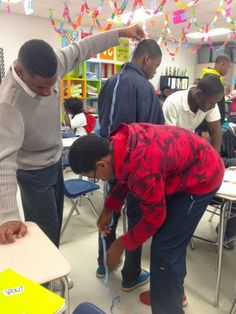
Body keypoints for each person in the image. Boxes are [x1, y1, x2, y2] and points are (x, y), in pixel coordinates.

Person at [0, 24, 145, 246]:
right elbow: (5, 162)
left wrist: (121, 32)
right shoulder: (9, 103)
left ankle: (51, 273)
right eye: (41, 87)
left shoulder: (56, 63)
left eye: (52, 84)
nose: (49, 92)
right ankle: (44, 280)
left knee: (54, 226)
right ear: (20, 72)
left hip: (55, 162)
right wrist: (8, 216)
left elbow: (84, 48)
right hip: (32, 172)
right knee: (44, 234)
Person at [68, 123, 224, 314]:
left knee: (166, 247)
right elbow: (126, 176)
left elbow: (154, 217)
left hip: (202, 177)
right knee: (168, 242)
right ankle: (167, 288)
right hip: (181, 169)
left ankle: (168, 302)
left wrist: (121, 244)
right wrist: (109, 209)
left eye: (93, 176)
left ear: (101, 164)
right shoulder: (119, 144)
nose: (98, 180)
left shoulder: (142, 166)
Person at [97, 39, 164, 290]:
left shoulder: (109, 82)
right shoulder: (144, 88)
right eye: (155, 66)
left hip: (107, 161)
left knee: (109, 212)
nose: (155, 71)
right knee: (137, 216)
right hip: (136, 165)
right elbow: (154, 133)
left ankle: (104, 263)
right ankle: (131, 274)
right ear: (145, 59)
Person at [163, 75, 224, 152]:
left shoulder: (209, 102)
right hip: (171, 146)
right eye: (211, 102)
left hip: (188, 144)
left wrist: (214, 159)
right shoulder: (173, 103)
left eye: (215, 103)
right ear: (198, 94)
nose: (213, 106)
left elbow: (215, 132)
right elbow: (168, 139)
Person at [200, 53, 231, 124]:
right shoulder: (211, 79)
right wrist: (204, 128)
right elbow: (204, 103)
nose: (228, 70)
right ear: (222, 64)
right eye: (228, 67)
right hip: (209, 124)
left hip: (215, 121)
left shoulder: (217, 78)